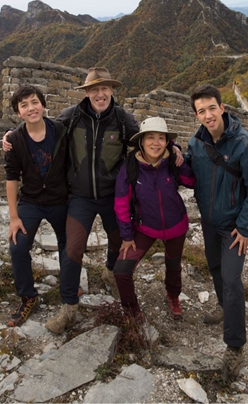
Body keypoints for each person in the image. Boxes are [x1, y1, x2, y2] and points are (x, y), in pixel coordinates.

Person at [44, 67, 140, 333]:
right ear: (86, 92)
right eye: (94, 89)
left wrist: (173, 148)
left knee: (119, 241)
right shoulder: (72, 117)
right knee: (73, 249)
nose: (100, 94)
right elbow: (42, 131)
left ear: (112, 90)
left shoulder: (122, 119)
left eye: (105, 88)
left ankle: (110, 272)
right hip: (81, 198)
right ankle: (68, 309)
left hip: (113, 197)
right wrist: (13, 136)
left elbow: (145, 141)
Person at [186, 84, 248, 381]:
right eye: (200, 111)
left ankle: (235, 346)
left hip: (234, 228)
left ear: (222, 107)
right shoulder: (196, 144)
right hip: (209, 223)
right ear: (196, 115)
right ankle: (223, 307)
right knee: (216, 269)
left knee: (232, 280)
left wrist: (245, 227)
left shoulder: (244, 144)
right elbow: (189, 175)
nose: (207, 115)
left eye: (211, 108)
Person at [113, 117, 195, 321]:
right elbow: (121, 204)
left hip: (176, 225)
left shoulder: (173, 162)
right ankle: (132, 313)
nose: (155, 143)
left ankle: (173, 295)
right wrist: (126, 235)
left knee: (174, 265)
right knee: (121, 271)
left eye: (161, 138)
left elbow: (192, 182)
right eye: (150, 137)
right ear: (141, 140)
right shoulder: (131, 167)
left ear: (168, 141)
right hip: (144, 228)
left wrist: (181, 157)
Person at [4, 84, 68, 327]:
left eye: (34, 102)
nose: (31, 108)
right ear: (18, 113)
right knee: (18, 246)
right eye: (24, 105)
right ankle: (28, 296)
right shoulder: (15, 140)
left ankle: (68, 290)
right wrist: (13, 217)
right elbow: (11, 179)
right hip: (30, 201)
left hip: (60, 199)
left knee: (68, 244)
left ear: (43, 104)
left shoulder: (60, 130)